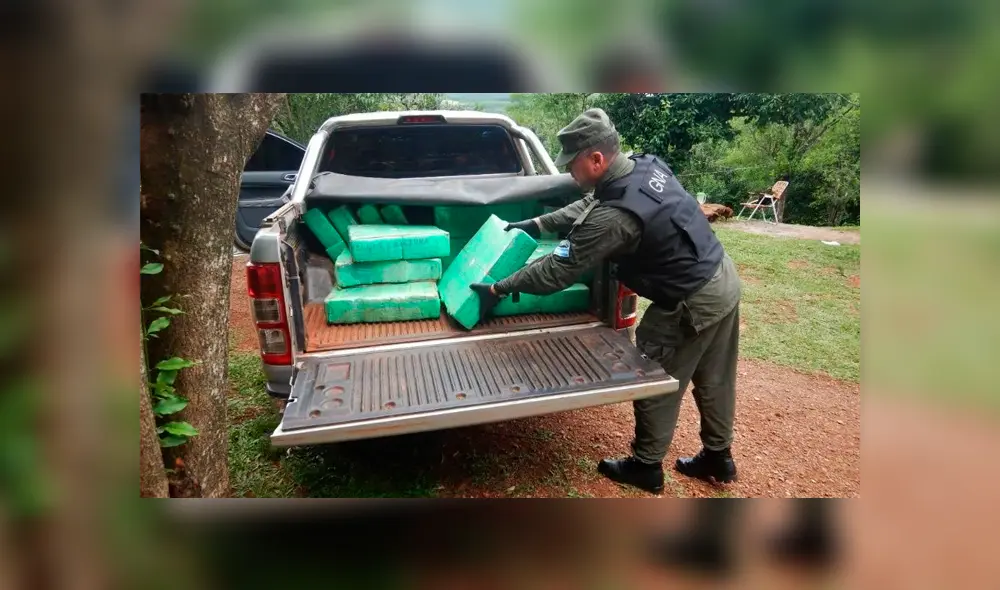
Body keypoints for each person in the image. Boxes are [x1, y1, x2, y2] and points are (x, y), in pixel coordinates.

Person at [470, 108, 742, 494]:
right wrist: (537, 224)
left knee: (657, 378)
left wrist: (498, 288)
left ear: (596, 159)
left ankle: (646, 466)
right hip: (721, 276)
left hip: (689, 301)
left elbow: (556, 272)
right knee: (716, 377)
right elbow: (589, 204)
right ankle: (719, 456)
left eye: (572, 165)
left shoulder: (615, 216)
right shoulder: (644, 167)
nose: (568, 173)